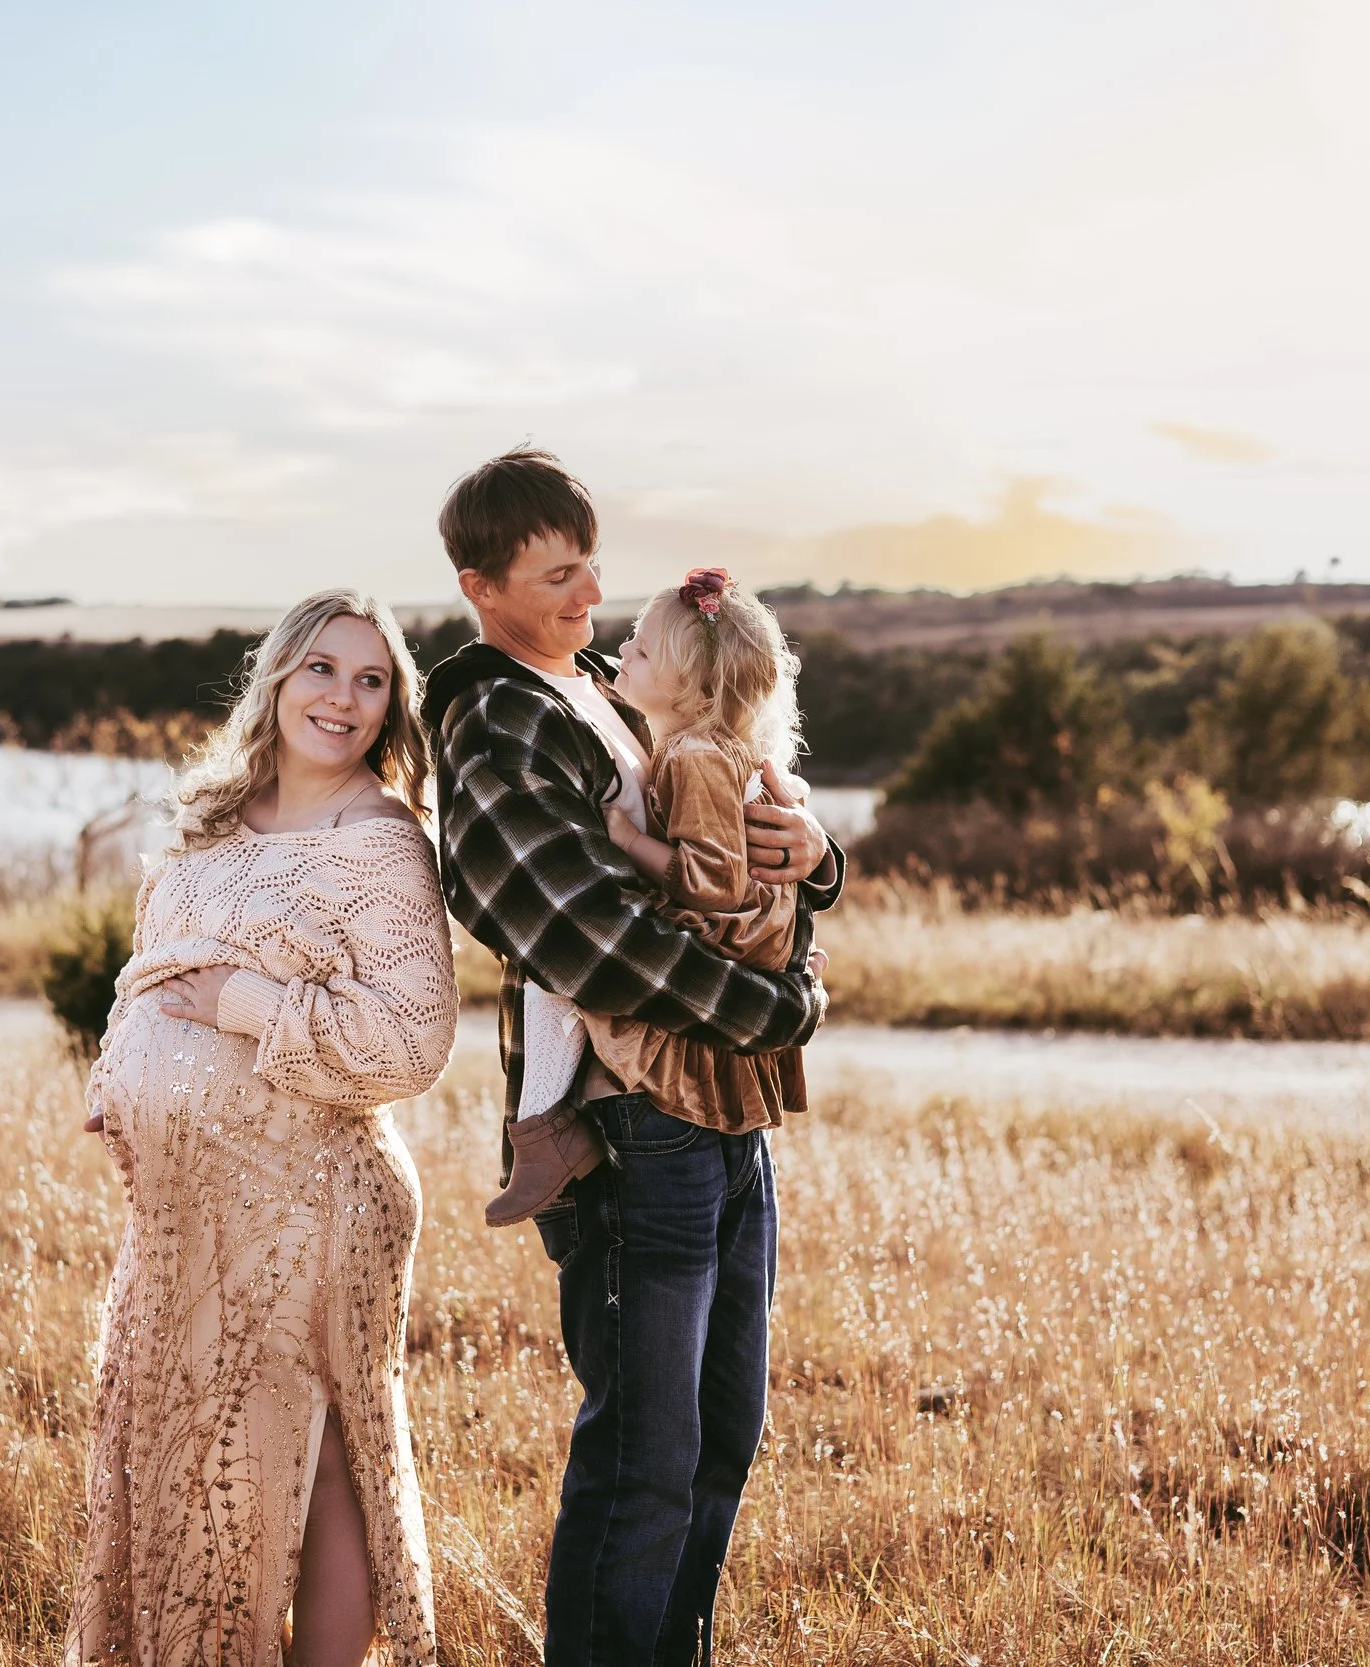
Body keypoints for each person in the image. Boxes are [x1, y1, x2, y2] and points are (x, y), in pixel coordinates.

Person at [419, 449, 842, 1667]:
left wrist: (812, 858)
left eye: (592, 563)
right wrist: (774, 1008)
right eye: (556, 574)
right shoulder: (496, 717)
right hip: (630, 1129)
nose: (589, 593)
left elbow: (746, 864)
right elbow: (579, 934)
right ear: (480, 586)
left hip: (725, 1118)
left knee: (720, 1431)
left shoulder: (612, 686)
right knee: (642, 1457)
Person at [68, 589, 457, 1667]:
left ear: (391, 705)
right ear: (278, 677)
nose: (343, 696)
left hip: (314, 1200)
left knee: (320, 1457)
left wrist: (246, 1000)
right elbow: (148, 965)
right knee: (191, 1455)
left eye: (371, 679)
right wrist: (117, 1078)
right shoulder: (211, 819)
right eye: (323, 669)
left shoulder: (381, 843)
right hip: (189, 1208)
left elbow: (412, 1040)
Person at [485, 567, 808, 1224]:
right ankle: (542, 1137)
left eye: (640, 649)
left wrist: (627, 840)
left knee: (555, 968)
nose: (621, 653)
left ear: (690, 686)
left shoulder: (694, 754)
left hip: (719, 932)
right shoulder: (683, 734)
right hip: (738, 932)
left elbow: (713, 881)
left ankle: (542, 1135)